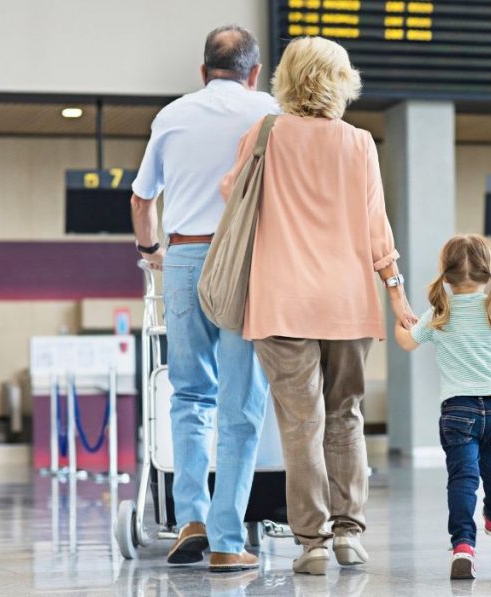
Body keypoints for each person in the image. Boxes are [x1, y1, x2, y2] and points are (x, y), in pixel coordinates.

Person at [220, 36, 417, 576]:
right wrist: (397, 295)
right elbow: (378, 229)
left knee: (300, 425)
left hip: (281, 303)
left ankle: (311, 544)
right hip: (348, 303)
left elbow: (230, 196)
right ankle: (350, 533)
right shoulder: (359, 144)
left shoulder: (264, 135)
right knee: (346, 417)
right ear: (340, 81)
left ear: (286, 77)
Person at [129, 25, 277, 572]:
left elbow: (142, 199)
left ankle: (187, 516)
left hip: (186, 259)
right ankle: (225, 539)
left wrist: (152, 252)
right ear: (254, 72)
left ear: (202, 71)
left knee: (190, 395)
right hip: (245, 261)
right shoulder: (270, 112)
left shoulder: (172, 115)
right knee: (241, 405)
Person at [393, 235, 491, 580]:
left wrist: (399, 323)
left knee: (462, 479)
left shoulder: (440, 312)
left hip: (457, 411)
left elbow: (408, 343)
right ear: (487, 271)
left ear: (446, 274)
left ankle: (463, 546)